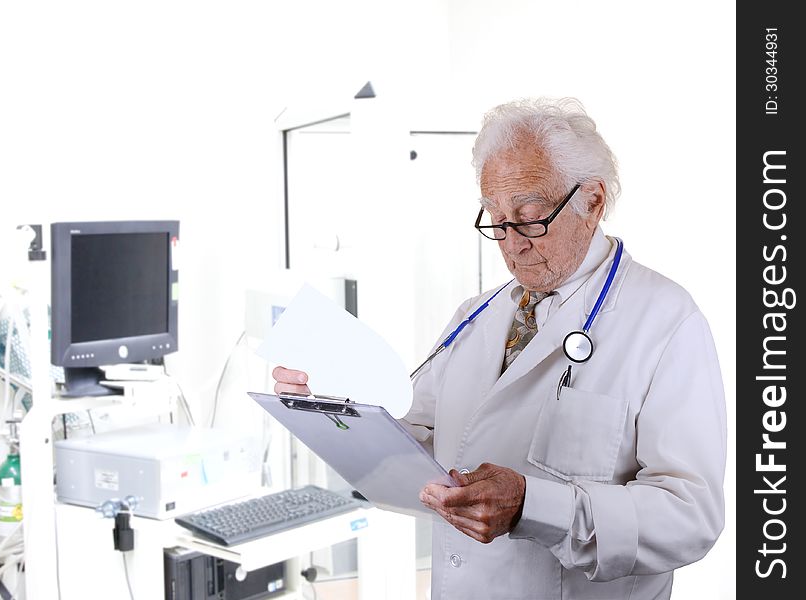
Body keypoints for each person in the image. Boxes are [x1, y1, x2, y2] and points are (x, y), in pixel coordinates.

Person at [273, 97, 726, 599]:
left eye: (530, 218)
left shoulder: (666, 320)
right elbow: (415, 441)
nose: (511, 243)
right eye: (496, 219)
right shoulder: (476, 314)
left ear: (593, 201)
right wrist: (335, 408)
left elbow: (690, 517)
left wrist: (535, 506)